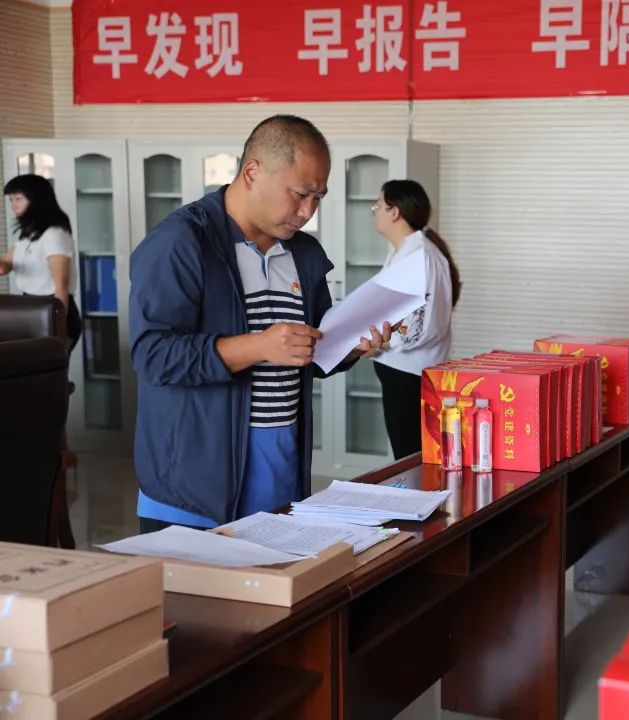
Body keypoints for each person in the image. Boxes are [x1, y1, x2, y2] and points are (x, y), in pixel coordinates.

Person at [129, 115, 393, 532]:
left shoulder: (303, 253)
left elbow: (310, 351)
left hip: (279, 475)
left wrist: (351, 346)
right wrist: (259, 346)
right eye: (300, 194)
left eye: (318, 198)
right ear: (252, 172)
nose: (307, 211)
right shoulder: (182, 242)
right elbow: (153, 355)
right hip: (193, 489)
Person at [371, 179, 461, 459]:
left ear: (394, 211)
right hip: (399, 371)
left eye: (378, 206)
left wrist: (381, 344)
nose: (375, 212)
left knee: (412, 458)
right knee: (407, 456)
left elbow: (421, 326)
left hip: (410, 375)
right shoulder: (404, 251)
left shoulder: (419, 256)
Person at [1, 174, 82, 352]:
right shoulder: (29, 235)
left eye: (18, 199)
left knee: (48, 366)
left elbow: (61, 284)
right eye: (11, 199)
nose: (13, 205)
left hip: (51, 311)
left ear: (36, 199)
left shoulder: (54, 234)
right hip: (31, 310)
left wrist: (59, 329)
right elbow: (5, 263)